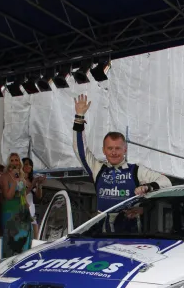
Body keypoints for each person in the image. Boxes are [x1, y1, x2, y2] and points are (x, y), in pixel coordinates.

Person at [71, 94, 171, 228]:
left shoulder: (135, 170)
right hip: (102, 231)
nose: (113, 152)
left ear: (125, 150)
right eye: (110, 148)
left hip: (129, 232)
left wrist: (147, 187)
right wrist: (79, 118)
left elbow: (166, 182)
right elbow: (80, 149)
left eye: (118, 148)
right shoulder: (97, 167)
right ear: (104, 150)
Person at [0, 153, 33, 257]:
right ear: (9, 163)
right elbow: (8, 196)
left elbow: (23, 194)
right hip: (10, 212)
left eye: (17, 160)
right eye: (12, 160)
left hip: (22, 211)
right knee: (11, 240)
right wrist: (14, 181)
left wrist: (27, 208)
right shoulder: (4, 176)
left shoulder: (22, 176)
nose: (15, 162)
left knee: (24, 239)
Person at [22, 157, 45, 240]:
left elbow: (39, 196)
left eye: (30, 165)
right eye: (26, 164)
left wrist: (39, 184)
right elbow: (22, 194)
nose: (29, 166)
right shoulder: (19, 179)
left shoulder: (31, 179)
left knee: (35, 237)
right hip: (22, 209)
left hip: (31, 210)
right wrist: (32, 184)